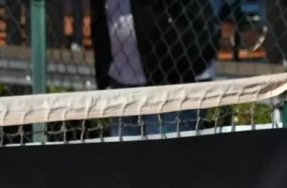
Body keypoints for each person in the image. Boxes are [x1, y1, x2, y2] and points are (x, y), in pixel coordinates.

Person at [90, 0, 220, 135]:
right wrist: (104, 78)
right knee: (125, 153)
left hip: (173, 83)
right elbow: (100, 23)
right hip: (122, 82)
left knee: (165, 152)